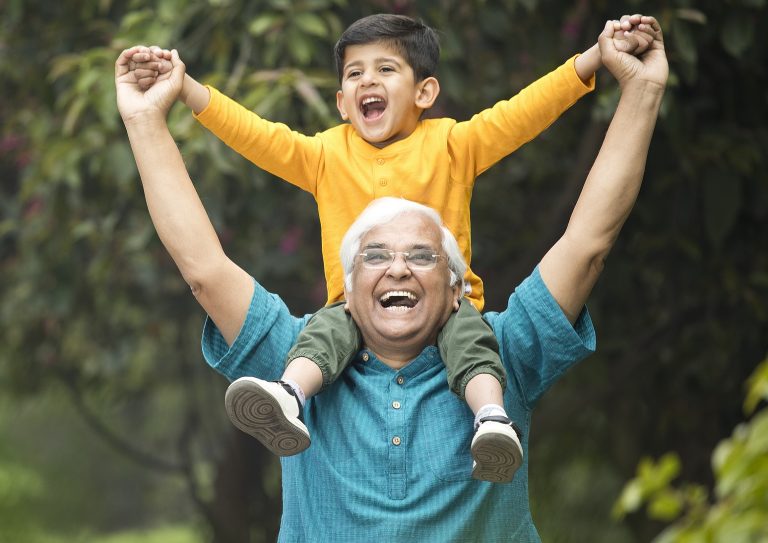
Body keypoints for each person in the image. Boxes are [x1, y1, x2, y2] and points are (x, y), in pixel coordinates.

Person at [116, 14, 667, 539]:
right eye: (374, 255)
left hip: (472, 347)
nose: (398, 266)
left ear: (455, 282)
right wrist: (154, 113)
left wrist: (617, 76)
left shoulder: (506, 351)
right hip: (322, 348)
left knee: (478, 360)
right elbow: (207, 263)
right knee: (308, 360)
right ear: (349, 281)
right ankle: (289, 398)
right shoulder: (302, 343)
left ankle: (491, 420)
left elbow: (583, 233)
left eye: (422, 255)